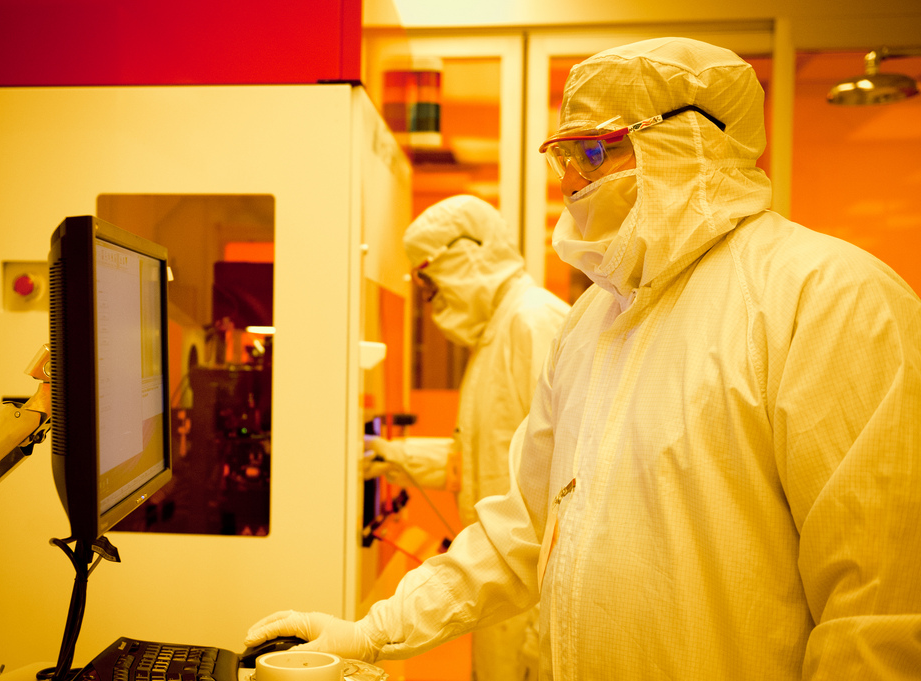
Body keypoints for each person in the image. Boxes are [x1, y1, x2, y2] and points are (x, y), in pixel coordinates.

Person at [245, 37, 921, 679]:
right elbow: (524, 529)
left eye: (593, 152)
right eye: (562, 157)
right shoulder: (594, 323)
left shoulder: (828, 299)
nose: (569, 180)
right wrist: (370, 631)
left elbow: (878, 617)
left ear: (687, 143)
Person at [363, 194, 570, 681]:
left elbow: (565, 479)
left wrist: (537, 627)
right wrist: (391, 456)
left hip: (531, 597)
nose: (432, 299)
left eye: (431, 282)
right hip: (502, 583)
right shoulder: (496, 335)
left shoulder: (533, 323)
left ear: (467, 254)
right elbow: (480, 461)